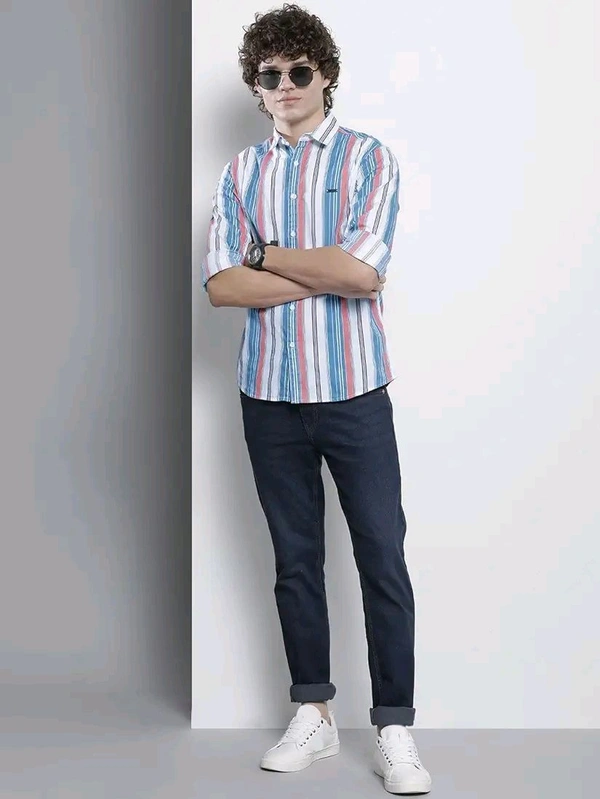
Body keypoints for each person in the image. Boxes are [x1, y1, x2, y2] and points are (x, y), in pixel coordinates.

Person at [201, 4, 432, 794]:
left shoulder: (368, 158)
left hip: (353, 390)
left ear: (325, 75)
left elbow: (363, 273)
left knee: (381, 553)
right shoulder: (240, 172)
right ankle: (314, 712)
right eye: (271, 75)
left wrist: (267, 255)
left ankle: (394, 725)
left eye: (300, 70)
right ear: (257, 87)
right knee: (295, 560)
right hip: (267, 393)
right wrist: (316, 267)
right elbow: (222, 286)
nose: (286, 85)